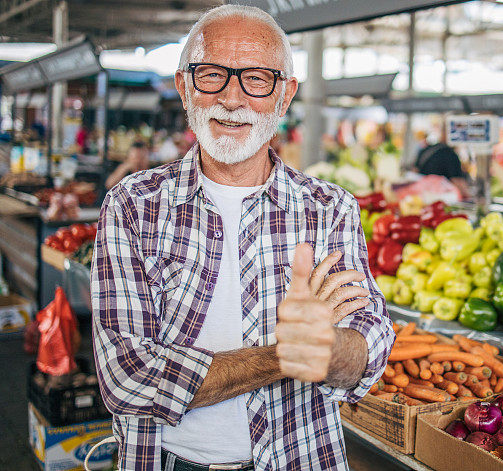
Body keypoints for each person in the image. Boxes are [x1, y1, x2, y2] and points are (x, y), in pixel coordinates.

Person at [91, 5, 394, 471]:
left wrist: (331, 349)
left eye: (256, 79)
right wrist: (282, 356)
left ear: (285, 94)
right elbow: (126, 378)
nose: (232, 98)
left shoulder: (329, 208)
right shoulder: (133, 206)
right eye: (212, 74)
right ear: (184, 85)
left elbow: (369, 343)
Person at [414, 128, 470, 199]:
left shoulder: (426, 150)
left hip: (420, 197)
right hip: (440, 199)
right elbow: (457, 181)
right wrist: (469, 197)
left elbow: (415, 170)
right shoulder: (451, 155)